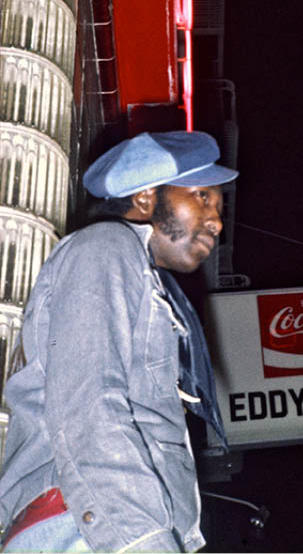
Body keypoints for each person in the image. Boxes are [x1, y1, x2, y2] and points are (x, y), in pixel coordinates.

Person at [0, 130, 238, 553]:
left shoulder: (141, 277)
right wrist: (145, 542)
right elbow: (89, 406)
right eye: (202, 196)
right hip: (90, 526)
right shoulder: (104, 248)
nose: (217, 221)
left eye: (218, 205)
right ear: (145, 198)